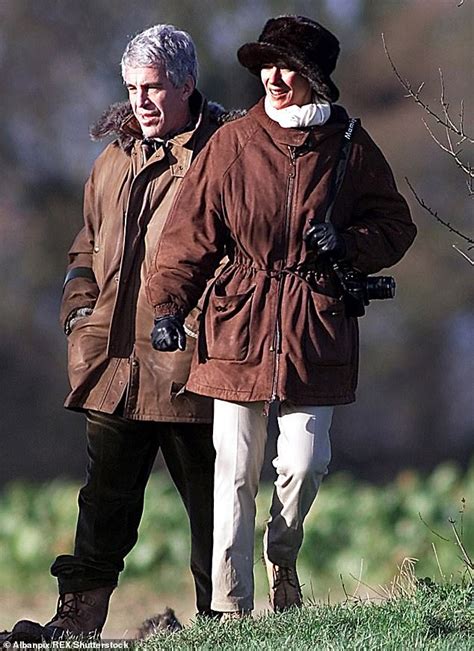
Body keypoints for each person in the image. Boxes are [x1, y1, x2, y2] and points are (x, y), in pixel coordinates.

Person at [145, 15, 417, 618]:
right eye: (266, 64)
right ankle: (231, 609)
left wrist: (348, 243)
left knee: (305, 462)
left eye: (287, 65)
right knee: (234, 475)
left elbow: (397, 226)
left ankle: (283, 558)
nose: (273, 76)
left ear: (315, 78)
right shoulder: (233, 142)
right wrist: (169, 306)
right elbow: (190, 237)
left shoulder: (351, 145)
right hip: (238, 321)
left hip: (314, 325)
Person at [11, 24, 225, 640]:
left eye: (154, 88)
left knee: (214, 508)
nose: (142, 102)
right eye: (132, 89)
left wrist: (207, 327)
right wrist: (80, 317)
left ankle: (222, 623)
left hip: (192, 369)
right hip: (113, 368)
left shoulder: (225, 157)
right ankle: (77, 619)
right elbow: (85, 248)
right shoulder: (111, 160)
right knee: (101, 503)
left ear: (187, 85)